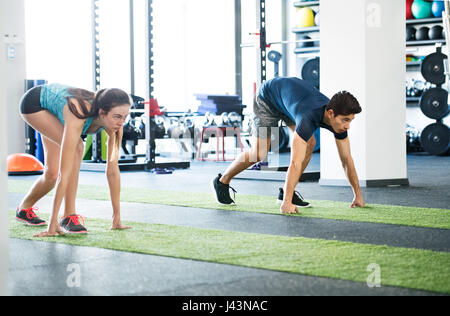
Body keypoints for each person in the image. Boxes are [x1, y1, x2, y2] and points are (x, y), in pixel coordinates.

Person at [213, 77, 366, 214]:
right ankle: (222, 181)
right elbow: (295, 162)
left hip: (289, 103)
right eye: (345, 120)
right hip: (267, 98)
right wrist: (287, 204)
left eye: (350, 121)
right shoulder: (308, 117)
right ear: (331, 113)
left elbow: (346, 159)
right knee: (258, 153)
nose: (348, 126)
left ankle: (287, 192)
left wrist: (357, 195)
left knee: (310, 143)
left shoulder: (337, 123)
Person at [17, 83, 132, 237]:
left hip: (56, 109)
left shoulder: (116, 125)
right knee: (77, 148)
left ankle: (24, 210)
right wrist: (52, 224)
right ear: (102, 112)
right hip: (35, 104)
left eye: (125, 116)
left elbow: (112, 169)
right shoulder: (79, 113)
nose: (121, 122)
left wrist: (116, 218)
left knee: (51, 175)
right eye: (117, 116)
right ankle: (68, 216)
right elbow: (64, 174)